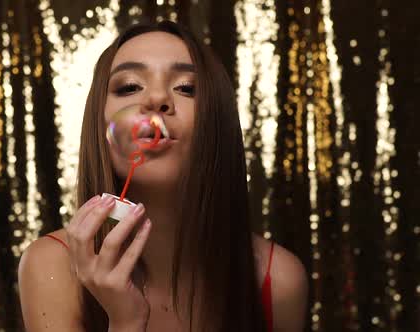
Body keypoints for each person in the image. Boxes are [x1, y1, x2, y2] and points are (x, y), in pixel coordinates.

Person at [18, 20, 308, 332]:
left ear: (218, 122)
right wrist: (126, 321)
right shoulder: (53, 266)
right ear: (98, 122)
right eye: (129, 86)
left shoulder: (278, 280)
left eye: (186, 88)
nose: (156, 99)